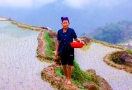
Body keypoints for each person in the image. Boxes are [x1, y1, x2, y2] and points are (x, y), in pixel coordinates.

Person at [55, 17, 82, 85]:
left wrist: (80, 41)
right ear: (62, 24)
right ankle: (66, 77)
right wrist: (56, 51)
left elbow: (76, 39)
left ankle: (68, 79)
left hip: (70, 49)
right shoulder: (59, 32)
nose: (65, 24)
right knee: (64, 65)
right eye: (63, 23)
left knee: (70, 65)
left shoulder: (71, 31)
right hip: (62, 50)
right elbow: (58, 42)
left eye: (66, 23)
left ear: (68, 23)